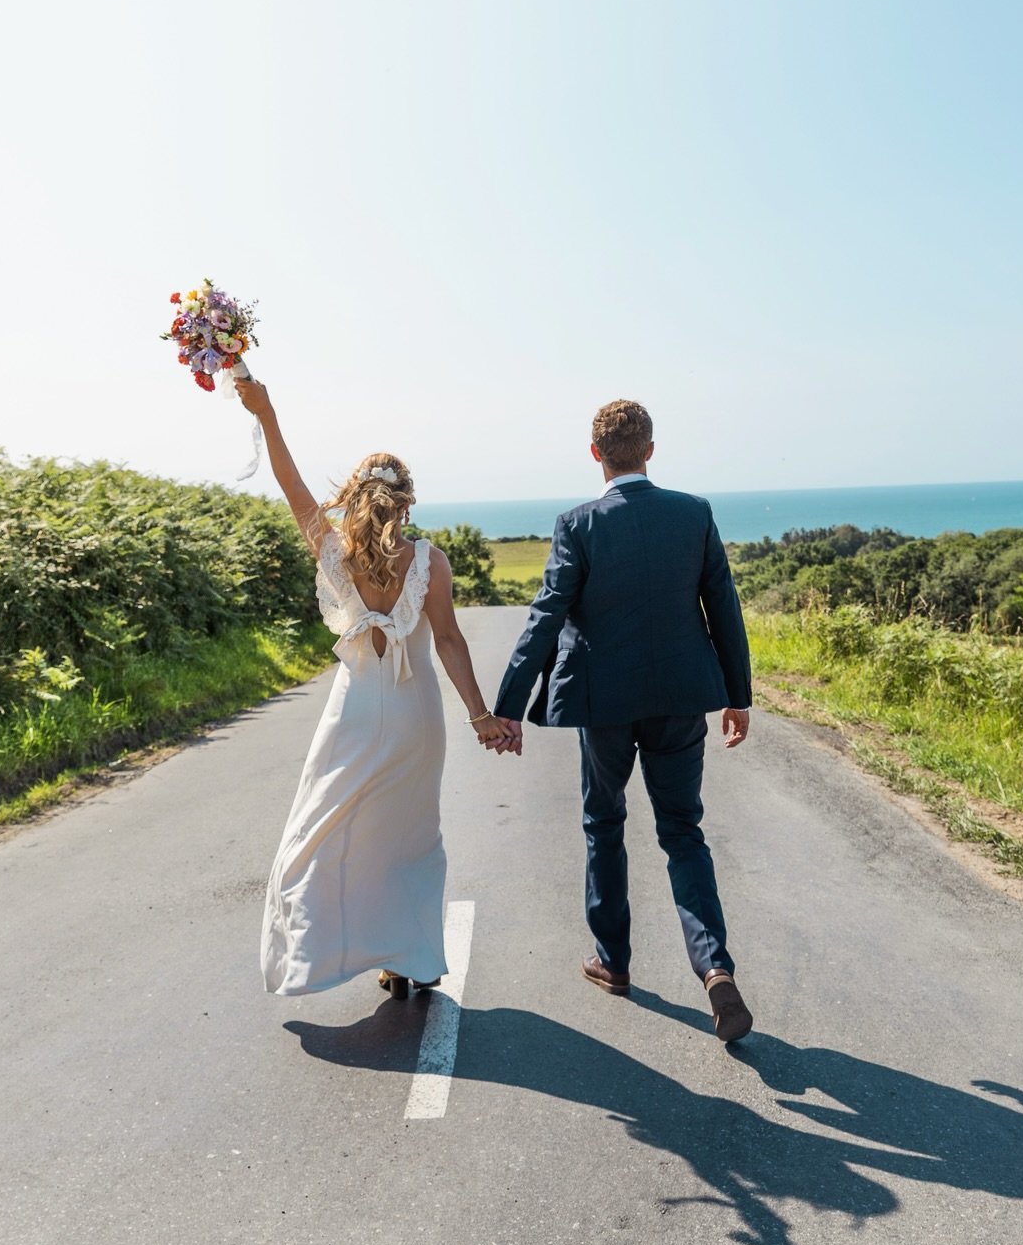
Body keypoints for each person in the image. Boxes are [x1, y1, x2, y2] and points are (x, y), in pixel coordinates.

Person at [235, 376, 513, 999]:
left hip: (354, 712)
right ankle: (411, 956)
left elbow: (289, 483)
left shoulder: (332, 550)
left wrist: (267, 413)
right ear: (406, 504)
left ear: (353, 499)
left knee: (325, 833)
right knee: (410, 839)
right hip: (418, 717)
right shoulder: (430, 561)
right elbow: (449, 641)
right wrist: (481, 715)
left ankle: (326, 953)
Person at [490, 399, 755, 1043]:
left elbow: (547, 616)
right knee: (683, 832)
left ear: (595, 454)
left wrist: (508, 707)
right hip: (680, 698)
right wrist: (737, 695)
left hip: (601, 704)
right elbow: (722, 604)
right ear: (651, 451)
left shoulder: (578, 523)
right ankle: (714, 967)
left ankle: (613, 963)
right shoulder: (694, 513)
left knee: (603, 823)